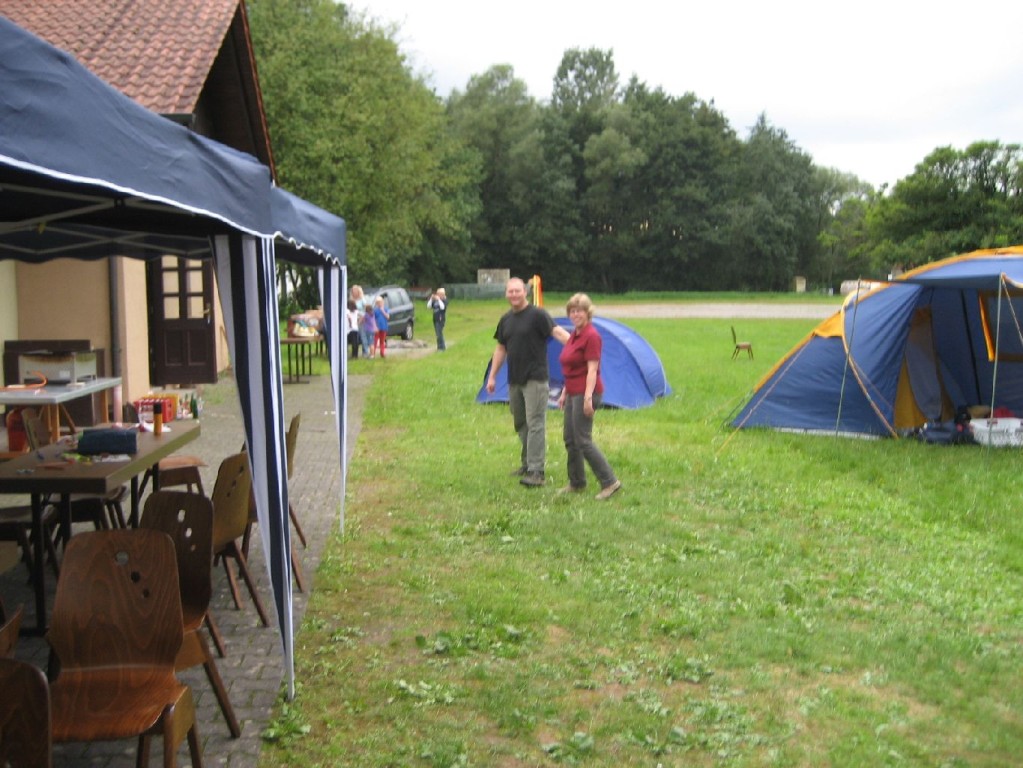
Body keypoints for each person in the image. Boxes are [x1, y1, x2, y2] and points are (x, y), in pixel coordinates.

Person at [486, 277, 569, 487]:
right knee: (521, 423)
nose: (514, 294)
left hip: (535, 378)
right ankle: (526, 463)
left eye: (518, 291)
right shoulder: (506, 320)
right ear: (506, 294)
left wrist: (578, 345)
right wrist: (492, 376)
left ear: (525, 292)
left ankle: (536, 471)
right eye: (510, 291)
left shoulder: (538, 315)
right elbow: (501, 348)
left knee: (535, 423)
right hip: (515, 379)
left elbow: (557, 332)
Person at [557, 293, 621, 500]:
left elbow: (592, 370)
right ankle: (576, 482)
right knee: (570, 438)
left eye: (580, 311)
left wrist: (587, 398)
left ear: (587, 313)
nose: (575, 315)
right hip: (573, 391)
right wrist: (565, 392)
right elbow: (571, 368)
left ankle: (610, 481)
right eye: (572, 311)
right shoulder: (574, 335)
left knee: (583, 440)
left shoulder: (592, 336)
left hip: (586, 392)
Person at [351, 285, 372, 358]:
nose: (354, 292)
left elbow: (367, 310)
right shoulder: (351, 300)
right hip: (354, 319)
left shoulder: (362, 300)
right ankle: (355, 352)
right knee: (356, 336)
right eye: (353, 291)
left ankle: (365, 351)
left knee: (363, 336)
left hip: (362, 319)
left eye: (355, 291)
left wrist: (363, 317)